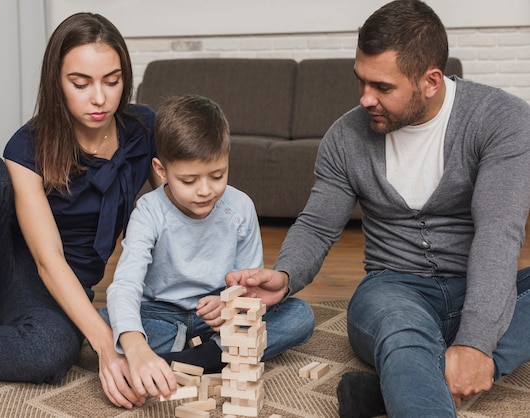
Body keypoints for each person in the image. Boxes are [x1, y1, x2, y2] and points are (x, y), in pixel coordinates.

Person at [226, 1, 530, 416]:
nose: (366, 99)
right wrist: (285, 274)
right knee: (401, 330)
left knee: (458, 330)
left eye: (383, 87)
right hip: (393, 290)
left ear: (431, 81)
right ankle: (416, 370)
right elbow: (317, 225)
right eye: (361, 82)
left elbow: (499, 233)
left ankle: (396, 386)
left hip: (476, 284)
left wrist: (476, 342)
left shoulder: (502, 120)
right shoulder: (346, 136)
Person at [0, 12, 158, 409]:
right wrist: (106, 345)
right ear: (57, 81)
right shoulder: (28, 146)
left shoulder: (145, 130)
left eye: (112, 80)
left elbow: (177, 206)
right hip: (2, 271)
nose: (100, 98)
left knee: (53, 352)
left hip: (64, 290)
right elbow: (47, 257)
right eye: (81, 83)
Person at [98, 94, 315, 399]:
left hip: (214, 317)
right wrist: (134, 345)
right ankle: (201, 358)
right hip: (160, 314)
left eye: (217, 176)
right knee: (109, 321)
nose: (205, 191)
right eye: (188, 180)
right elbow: (125, 285)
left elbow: (248, 288)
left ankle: (185, 362)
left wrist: (228, 303)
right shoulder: (148, 212)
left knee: (300, 316)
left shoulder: (240, 207)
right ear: (161, 170)